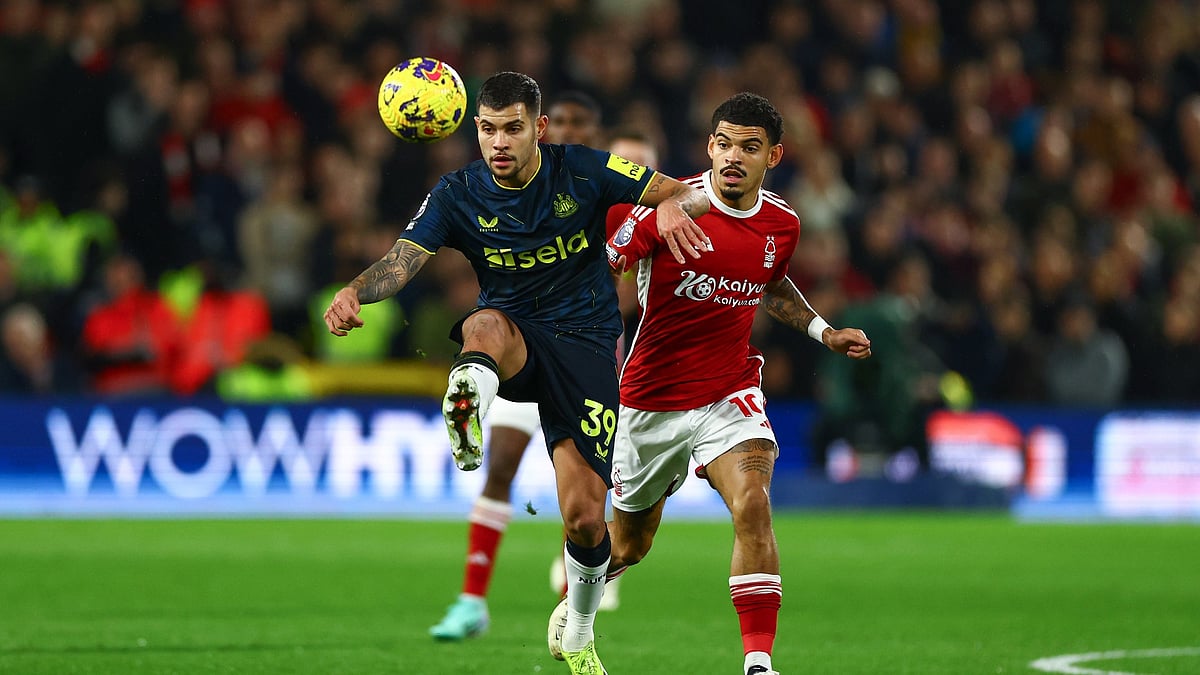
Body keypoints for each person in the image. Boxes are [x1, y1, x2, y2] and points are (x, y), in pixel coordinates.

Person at [323, 71, 711, 674]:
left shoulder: (582, 167)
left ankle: (577, 630)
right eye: (487, 129)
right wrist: (355, 292)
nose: (498, 143)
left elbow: (682, 191)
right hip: (514, 341)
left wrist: (665, 213)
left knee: (584, 517)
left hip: (585, 346)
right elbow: (401, 262)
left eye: (511, 129)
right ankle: (467, 397)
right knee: (482, 323)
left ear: (539, 128)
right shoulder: (457, 192)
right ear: (473, 129)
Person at [546, 93, 872, 675]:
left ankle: (757, 662)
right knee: (630, 544)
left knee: (753, 504)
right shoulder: (666, 209)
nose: (733, 157)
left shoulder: (783, 224)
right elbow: (600, 269)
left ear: (773, 155)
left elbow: (772, 287)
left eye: (749, 147)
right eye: (723, 143)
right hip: (649, 401)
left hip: (729, 392)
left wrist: (824, 332)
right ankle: (582, 605)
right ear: (708, 147)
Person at [428, 89, 609, 642]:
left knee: (586, 504)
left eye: (582, 122)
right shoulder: (490, 188)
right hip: (519, 348)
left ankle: (571, 606)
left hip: (588, 353)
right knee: (501, 462)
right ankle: (471, 600)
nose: (571, 132)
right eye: (567, 122)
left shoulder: (596, 183)